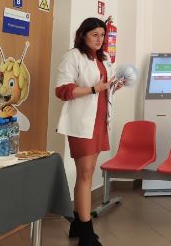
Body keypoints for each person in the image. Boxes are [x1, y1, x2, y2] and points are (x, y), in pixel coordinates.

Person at [55, 17, 125, 246]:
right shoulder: (73, 56)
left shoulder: (103, 58)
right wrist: (95, 88)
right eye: (94, 34)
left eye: (102, 35)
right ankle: (86, 234)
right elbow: (62, 90)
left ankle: (77, 222)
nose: (99, 39)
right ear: (83, 34)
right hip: (82, 123)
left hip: (99, 122)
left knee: (88, 172)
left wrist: (113, 87)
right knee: (85, 175)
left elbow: (103, 88)